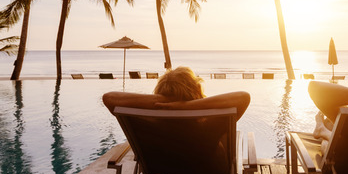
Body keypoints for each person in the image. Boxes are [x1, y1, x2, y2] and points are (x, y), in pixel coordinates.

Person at [102, 66, 250, 120]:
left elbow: (110, 98)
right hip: (211, 170)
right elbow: (243, 97)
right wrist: (185, 105)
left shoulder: (150, 122)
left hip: (161, 169)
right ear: (196, 88)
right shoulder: (210, 120)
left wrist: (165, 102)